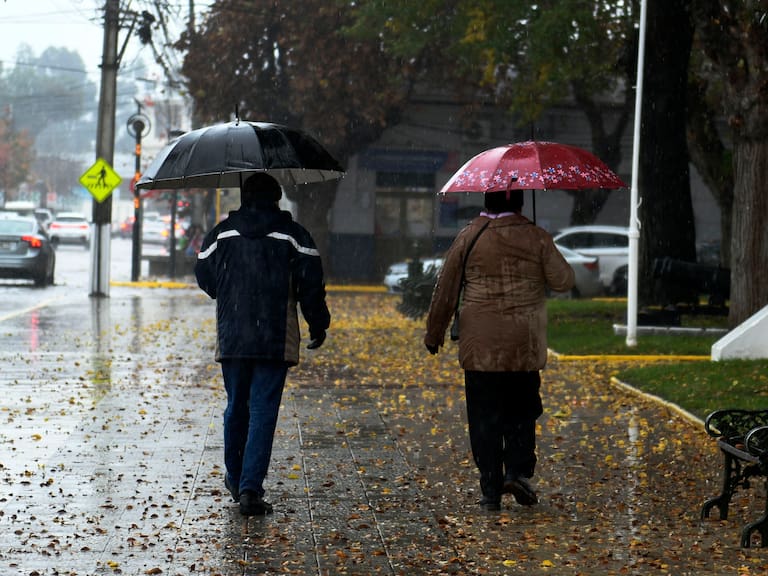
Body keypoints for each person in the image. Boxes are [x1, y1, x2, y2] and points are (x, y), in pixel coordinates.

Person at [423, 189, 574, 511]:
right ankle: (517, 471)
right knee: (522, 412)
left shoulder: (469, 236)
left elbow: (446, 290)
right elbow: (564, 281)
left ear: (486, 204)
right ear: (519, 203)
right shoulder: (537, 237)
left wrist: (434, 334)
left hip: (481, 346)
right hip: (524, 343)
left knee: (484, 418)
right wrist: (536, 250)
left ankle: (490, 488)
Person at [195, 172, 330, 516]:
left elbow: (203, 273)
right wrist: (318, 324)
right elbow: (310, 284)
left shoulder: (221, 235)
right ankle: (250, 489)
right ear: (277, 198)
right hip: (274, 336)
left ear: (243, 198)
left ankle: (235, 475)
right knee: (263, 410)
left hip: (233, 335)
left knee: (235, 406)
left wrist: (227, 295)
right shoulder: (294, 236)